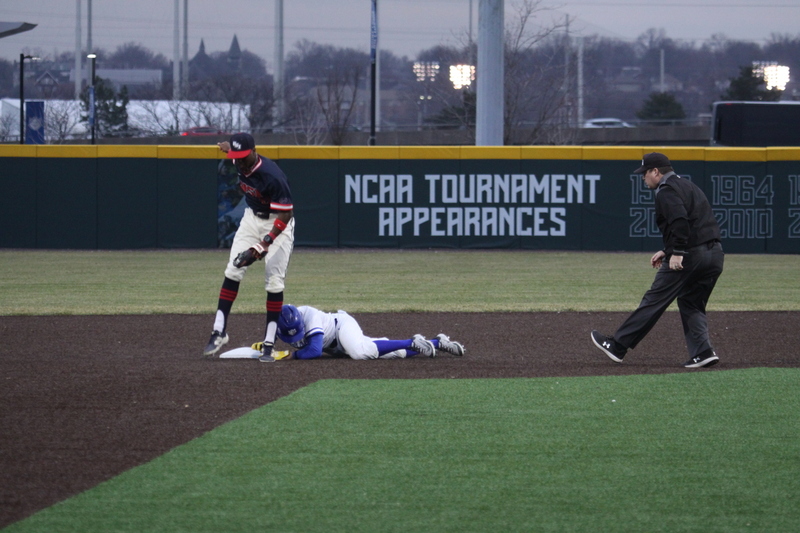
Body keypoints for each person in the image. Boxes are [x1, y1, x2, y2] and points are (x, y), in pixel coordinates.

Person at [590, 152, 724, 368]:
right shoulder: (689, 186)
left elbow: (680, 221)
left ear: (655, 171)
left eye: (645, 173)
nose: (643, 177)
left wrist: (677, 252)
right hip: (715, 254)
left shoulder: (666, 190)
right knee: (691, 302)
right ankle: (703, 351)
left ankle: (618, 346)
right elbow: (696, 222)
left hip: (689, 255)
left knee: (655, 299)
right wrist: (667, 250)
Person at [203, 132, 295, 363]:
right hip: (252, 219)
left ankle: (269, 343)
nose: (240, 162)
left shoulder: (272, 176)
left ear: (254, 151)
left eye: (244, 156)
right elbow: (231, 150)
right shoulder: (237, 159)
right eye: (237, 156)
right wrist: (228, 147)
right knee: (233, 270)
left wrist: (265, 243)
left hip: (278, 222)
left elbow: (286, 214)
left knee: (274, 282)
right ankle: (219, 331)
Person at [273, 304, 465, 360]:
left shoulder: (310, 315)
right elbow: (266, 343)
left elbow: (314, 350)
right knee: (388, 354)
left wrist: (289, 355)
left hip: (341, 328)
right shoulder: (276, 323)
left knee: (360, 352)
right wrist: (264, 349)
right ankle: (438, 342)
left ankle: (411, 342)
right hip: (334, 347)